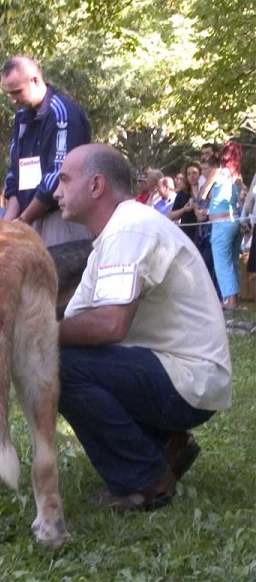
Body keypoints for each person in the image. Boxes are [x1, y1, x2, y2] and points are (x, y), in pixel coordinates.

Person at [54, 143, 231, 510]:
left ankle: (146, 480)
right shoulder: (113, 235)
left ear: (96, 185)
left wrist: (32, 334)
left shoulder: (128, 231)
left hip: (189, 381)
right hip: (179, 373)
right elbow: (75, 321)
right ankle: (166, 446)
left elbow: (110, 325)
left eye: (65, 180)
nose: (56, 191)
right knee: (58, 352)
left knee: (55, 364)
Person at [1, 55, 92, 245]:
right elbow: (16, 173)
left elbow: (58, 175)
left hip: (61, 218)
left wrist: (23, 220)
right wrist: (8, 224)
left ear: (34, 81)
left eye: (17, 92)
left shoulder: (62, 114)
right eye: (9, 94)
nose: (13, 100)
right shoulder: (21, 118)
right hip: (29, 220)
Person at [206, 142, 243, 310]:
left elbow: (203, 193)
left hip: (221, 224)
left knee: (222, 262)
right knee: (233, 261)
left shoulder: (220, 173)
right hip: (235, 222)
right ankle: (235, 297)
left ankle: (230, 301)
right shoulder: (237, 176)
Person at [168, 162, 200, 243]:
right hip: (188, 235)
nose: (192, 176)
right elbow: (170, 216)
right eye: (189, 174)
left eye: (194, 173)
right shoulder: (182, 194)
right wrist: (184, 209)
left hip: (204, 233)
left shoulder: (207, 191)